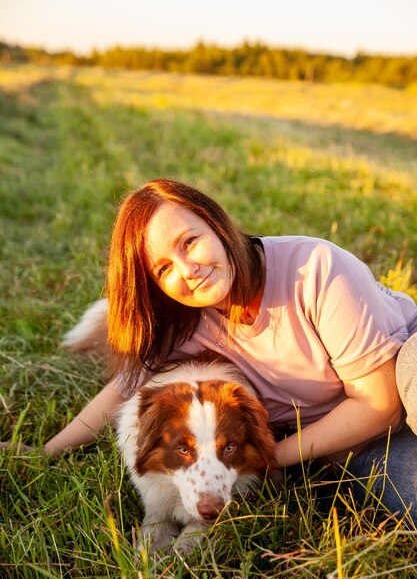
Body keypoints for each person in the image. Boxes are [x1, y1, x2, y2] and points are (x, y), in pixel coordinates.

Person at [43, 178, 417, 521]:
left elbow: (379, 406)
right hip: (361, 450)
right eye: (164, 268)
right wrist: (46, 453)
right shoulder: (185, 323)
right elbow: (123, 391)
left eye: (189, 241)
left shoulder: (316, 268)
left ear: (216, 224)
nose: (188, 269)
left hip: (401, 377)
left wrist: (266, 457)